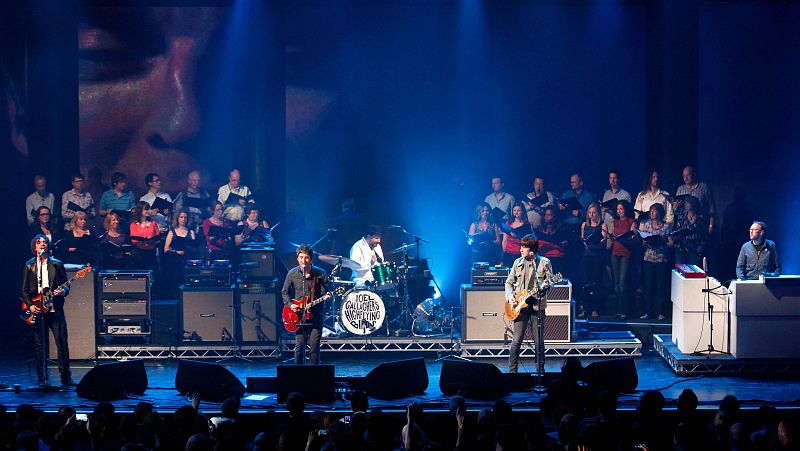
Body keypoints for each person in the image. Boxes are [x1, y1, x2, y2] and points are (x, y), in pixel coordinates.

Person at [20, 234, 74, 386]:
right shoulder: (29, 265)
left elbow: (66, 285)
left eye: (44, 242)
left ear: (48, 246)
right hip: (38, 310)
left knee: (61, 342)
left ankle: (66, 377)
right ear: (34, 247)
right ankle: (42, 378)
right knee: (40, 346)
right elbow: (24, 290)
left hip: (55, 309)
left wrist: (62, 292)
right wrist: (30, 305)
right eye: (39, 242)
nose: (42, 244)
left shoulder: (57, 264)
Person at [505, 234, 553, 373]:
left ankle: (540, 371)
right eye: (521, 246)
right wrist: (510, 297)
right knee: (516, 340)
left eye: (524, 247)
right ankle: (512, 372)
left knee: (539, 342)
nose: (520, 249)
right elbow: (509, 283)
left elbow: (551, 281)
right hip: (520, 307)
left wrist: (546, 286)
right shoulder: (517, 262)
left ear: (532, 250)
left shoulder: (544, 262)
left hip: (537, 306)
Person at [281, 245, 329, 365]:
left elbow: (325, 293)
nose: (304, 260)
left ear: (311, 259)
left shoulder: (320, 273)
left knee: (314, 347)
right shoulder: (292, 273)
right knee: (299, 347)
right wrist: (290, 305)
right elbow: (285, 292)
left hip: (316, 314)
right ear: (297, 258)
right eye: (301, 257)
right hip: (298, 316)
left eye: (306, 257)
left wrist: (326, 296)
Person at [639, 203, 673, 321]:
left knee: (660, 286)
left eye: (654, 211)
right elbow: (643, 241)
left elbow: (670, 243)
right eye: (651, 211)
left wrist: (663, 243)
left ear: (659, 212)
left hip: (661, 259)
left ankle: (660, 312)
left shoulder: (666, 226)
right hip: (648, 258)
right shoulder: (647, 225)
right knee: (649, 286)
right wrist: (645, 242)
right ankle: (648, 312)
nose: (652, 213)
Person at [608, 200, 637, 320]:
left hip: (626, 253)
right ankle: (617, 310)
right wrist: (611, 237)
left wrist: (626, 238)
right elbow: (611, 235)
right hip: (615, 252)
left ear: (626, 209)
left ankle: (624, 310)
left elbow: (634, 237)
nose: (619, 211)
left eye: (621, 209)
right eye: (618, 209)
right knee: (616, 283)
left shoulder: (631, 221)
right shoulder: (614, 222)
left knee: (622, 283)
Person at [579, 204, 607, 318]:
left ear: (598, 213)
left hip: (597, 256)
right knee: (585, 282)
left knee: (596, 282)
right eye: (590, 212)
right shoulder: (584, 225)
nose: (592, 215)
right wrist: (585, 242)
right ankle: (586, 308)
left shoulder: (602, 225)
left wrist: (596, 243)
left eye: (594, 212)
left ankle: (596, 308)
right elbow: (582, 239)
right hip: (586, 256)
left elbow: (604, 241)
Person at [163, 209, 197, 296]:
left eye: (185, 217)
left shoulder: (191, 232)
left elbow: (194, 248)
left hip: (187, 260)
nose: (183, 219)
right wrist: (176, 251)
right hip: (175, 260)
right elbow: (166, 249)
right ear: (177, 218)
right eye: (181, 217)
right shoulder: (172, 232)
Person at [674, 166, 716, 235]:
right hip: (684, 228)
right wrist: (675, 207)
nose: (686, 178)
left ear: (694, 174)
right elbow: (676, 212)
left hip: (701, 226)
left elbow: (712, 209)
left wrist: (711, 226)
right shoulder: (680, 189)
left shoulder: (704, 188)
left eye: (688, 175)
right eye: (684, 176)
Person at [673, 195, 708, 266]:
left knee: (692, 270)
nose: (685, 204)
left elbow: (702, 233)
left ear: (693, 204)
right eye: (685, 202)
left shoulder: (700, 217)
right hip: (681, 248)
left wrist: (693, 223)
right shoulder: (682, 215)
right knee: (680, 269)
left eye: (687, 203)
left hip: (694, 249)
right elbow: (679, 229)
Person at [536, 206, 571, 274]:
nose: (547, 217)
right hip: (543, 260)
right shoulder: (539, 231)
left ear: (555, 216)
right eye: (545, 215)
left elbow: (564, 244)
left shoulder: (561, 231)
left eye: (550, 215)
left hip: (557, 260)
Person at [129, 201, 160, 271]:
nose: (148, 211)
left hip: (151, 252)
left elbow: (157, 238)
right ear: (140, 210)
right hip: (139, 253)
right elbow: (134, 240)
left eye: (149, 209)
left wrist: (153, 242)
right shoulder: (133, 225)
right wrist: (144, 242)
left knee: (153, 272)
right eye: (146, 209)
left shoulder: (153, 224)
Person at [501, 203, 533, 268]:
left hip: (519, 254)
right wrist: (502, 257)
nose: (516, 212)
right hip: (508, 254)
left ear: (522, 211)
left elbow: (528, 243)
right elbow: (504, 241)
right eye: (514, 210)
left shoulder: (527, 225)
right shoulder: (508, 223)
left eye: (518, 210)